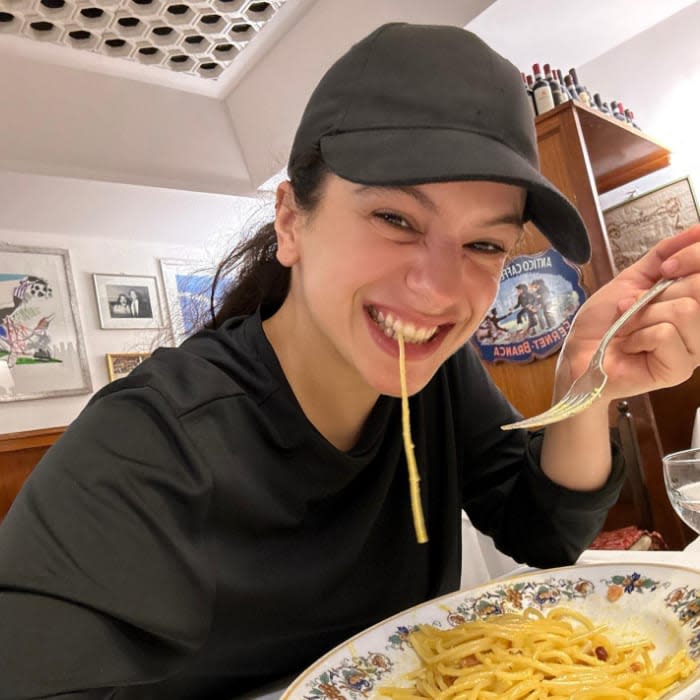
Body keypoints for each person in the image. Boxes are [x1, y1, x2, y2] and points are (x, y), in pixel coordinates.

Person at [1, 22, 699, 700]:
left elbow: (544, 532)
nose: (436, 289)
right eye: (396, 220)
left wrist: (589, 385)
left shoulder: (434, 381)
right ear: (290, 221)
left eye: (485, 245)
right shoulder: (149, 442)